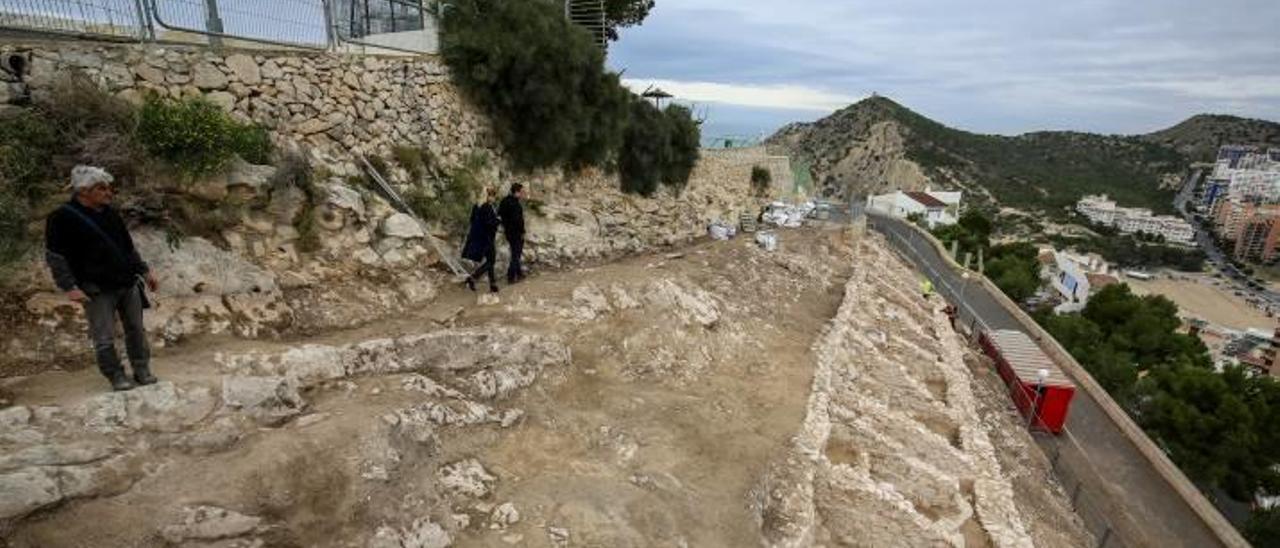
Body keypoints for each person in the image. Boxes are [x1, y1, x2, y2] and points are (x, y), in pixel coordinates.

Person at [45, 166, 159, 392]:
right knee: (104, 336)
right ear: (84, 191)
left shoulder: (111, 214)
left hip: (127, 282)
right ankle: (115, 375)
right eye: (102, 188)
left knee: (136, 328)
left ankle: (141, 368)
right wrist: (69, 286)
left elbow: (127, 248)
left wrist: (145, 272)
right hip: (95, 288)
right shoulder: (61, 218)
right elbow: (55, 257)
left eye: (109, 188)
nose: (109, 193)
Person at [462, 186, 501, 293]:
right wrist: (498, 220)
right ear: (488, 196)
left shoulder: (480, 206)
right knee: (491, 261)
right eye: (492, 196)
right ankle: (473, 278)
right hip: (487, 238)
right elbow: (488, 223)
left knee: (490, 261)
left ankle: (493, 284)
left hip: (483, 238)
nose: (494, 198)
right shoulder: (486, 207)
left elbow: (473, 220)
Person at [497, 182, 526, 284]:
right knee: (516, 254)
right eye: (522, 192)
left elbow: (499, 215)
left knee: (515, 252)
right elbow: (518, 220)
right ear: (516, 192)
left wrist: (506, 225)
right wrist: (522, 231)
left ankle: (519, 273)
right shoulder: (515, 204)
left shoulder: (504, 201)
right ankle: (511, 276)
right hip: (516, 233)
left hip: (508, 232)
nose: (523, 194)